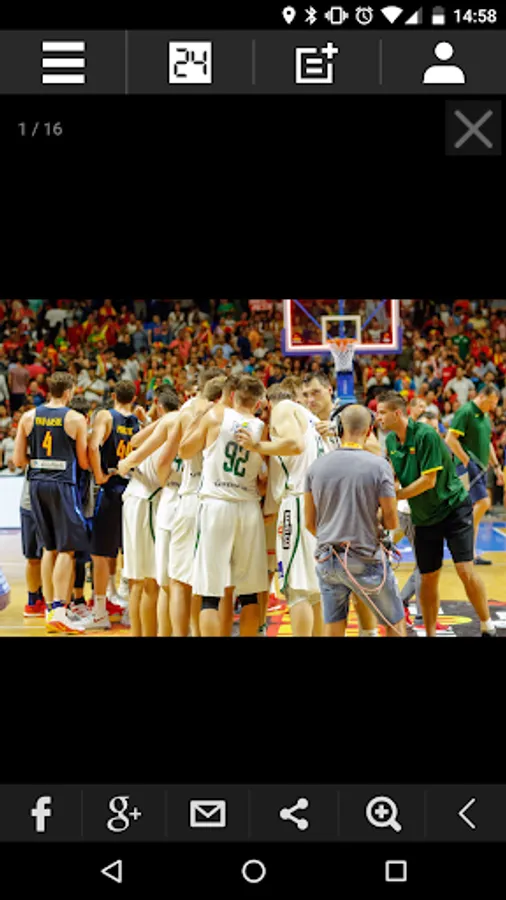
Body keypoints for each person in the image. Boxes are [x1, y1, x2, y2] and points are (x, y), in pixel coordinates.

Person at [377, 391, 496, 637]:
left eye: (382, 412)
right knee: (428, 578)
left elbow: (428, 481)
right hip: (424, 517)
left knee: (465, 570)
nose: (378, 417)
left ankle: (487, 624)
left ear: (397, 413)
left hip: (453, 509)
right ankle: (430, 634)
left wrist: (395, 496)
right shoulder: (390, 442)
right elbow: (394, 475)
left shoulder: (426, 435)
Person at [179, 374, 269, 637]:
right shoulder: (261, 427)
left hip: (216, 505)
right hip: (249, 507)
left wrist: (199, 417)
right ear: (258, 403)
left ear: (232, 396)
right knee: (250, 593)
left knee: (210, 594)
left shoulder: (216, 415)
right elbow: (264, 481)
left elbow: (184, 451)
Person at [304, 404, 405, 637]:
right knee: (395, 624)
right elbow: (391, 522)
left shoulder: (316, 466)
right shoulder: (379, 466)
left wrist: (333, 535)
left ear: (339, 429)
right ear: (369, 431)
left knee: (334, 625)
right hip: (366, 558)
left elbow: (309, 522)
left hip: (328, 559)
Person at [236, 384, 325, 637]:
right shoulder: (311, 418)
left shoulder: (283, 408)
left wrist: (256, 446)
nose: (263, 419)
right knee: (316, 590)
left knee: (297, 589)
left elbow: (294, 445)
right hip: (318, 503)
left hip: (297, 504)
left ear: (267, 402)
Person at [12, 371, 90, 634]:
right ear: (68, 392)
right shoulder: (75, 418)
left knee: (48, 547)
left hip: (35, 484)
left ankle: (49, 608)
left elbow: (18, 460)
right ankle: (59, 609)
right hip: (62, 484)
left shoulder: (28, 417)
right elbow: (83, 462)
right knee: (66, 549)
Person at [121, 389, 181, 637]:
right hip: (147, 499)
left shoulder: (156, 429)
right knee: (150, 581)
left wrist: (152, 419)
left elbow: (134, 441)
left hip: (134, 497)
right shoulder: (173, 428)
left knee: (138, 580)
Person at [88, 380, 140, 630]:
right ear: (134, 398)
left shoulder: (106, 416)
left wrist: (99, 475)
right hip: (135, 489)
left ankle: (100, 611)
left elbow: (93, 445)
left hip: (112, 488)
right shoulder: (138, 422)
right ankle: (130, 611)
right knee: (132, 552)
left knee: (100, 553)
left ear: (113, 395)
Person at [445, 384, 504, 565]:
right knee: (484, 503)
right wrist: (466, 461)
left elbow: (487, 444)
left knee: (473, 509)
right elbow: (450, 439)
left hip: (481, 466)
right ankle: (462, 534)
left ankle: (469, 553)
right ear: (482, 396)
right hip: (467, 466)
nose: (493, 406)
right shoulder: (466, 412)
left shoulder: (485, 416)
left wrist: (497, 467)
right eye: (491, 402)